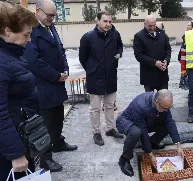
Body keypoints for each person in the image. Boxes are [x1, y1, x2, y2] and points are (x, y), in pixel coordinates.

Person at [23, 0, 77, 172]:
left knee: (58, 117)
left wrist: (66, 69)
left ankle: (58, 142)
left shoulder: (50, 26)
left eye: (54, 15)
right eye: (50, 15)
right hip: (44, 86)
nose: (52, 19)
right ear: (37, 11)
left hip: (57, 83)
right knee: (46, 124)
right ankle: (46, 158)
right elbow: (34, 62)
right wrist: (56, 76)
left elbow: (60, 49)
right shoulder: (31, 30)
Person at [0, 2, 38, 180]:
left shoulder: (11, 56)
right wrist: (16, 154)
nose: (29, 40)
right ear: (8, 31)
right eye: (26, 35)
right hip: (8, 150)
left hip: (19, 135)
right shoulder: (2, 63)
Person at [79, 11, 124, 146]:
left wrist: (118, 54)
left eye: (110, 21)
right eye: (105, 21)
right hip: (95, 77)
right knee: (95, 108)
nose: (108, 24)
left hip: (110, 75)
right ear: (97, 21)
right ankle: (96, 133)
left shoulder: (115, 34)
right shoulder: (88, 37)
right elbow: (83, 58)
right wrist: (92, 69)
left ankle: (110, 129)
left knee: (110, 105)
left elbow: (120, 47)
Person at [116, 89, 184, 177]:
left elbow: (170, 122)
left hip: (148, 120)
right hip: (128, 121)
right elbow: (143, 131)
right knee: (136, 132)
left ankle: (152, 143)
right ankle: (124, 159)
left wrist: (178, 145)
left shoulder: (163, 103)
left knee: (168, 125)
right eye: (164, 108)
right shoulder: (140, 105)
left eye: (169, 108)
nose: (167, 110)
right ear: (156, 102)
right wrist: (150, 154)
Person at [133, 15, 172, 92]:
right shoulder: (139, 36)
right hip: (148, 76)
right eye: (149, 26)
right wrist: (154, 63)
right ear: (144, 24)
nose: (152, 28)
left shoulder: (163, 34)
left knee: (163, 101)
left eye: (154, 25)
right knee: (149, 101)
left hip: (162, 75)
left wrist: (166, 61)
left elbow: (168, 50)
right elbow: (139, 55)